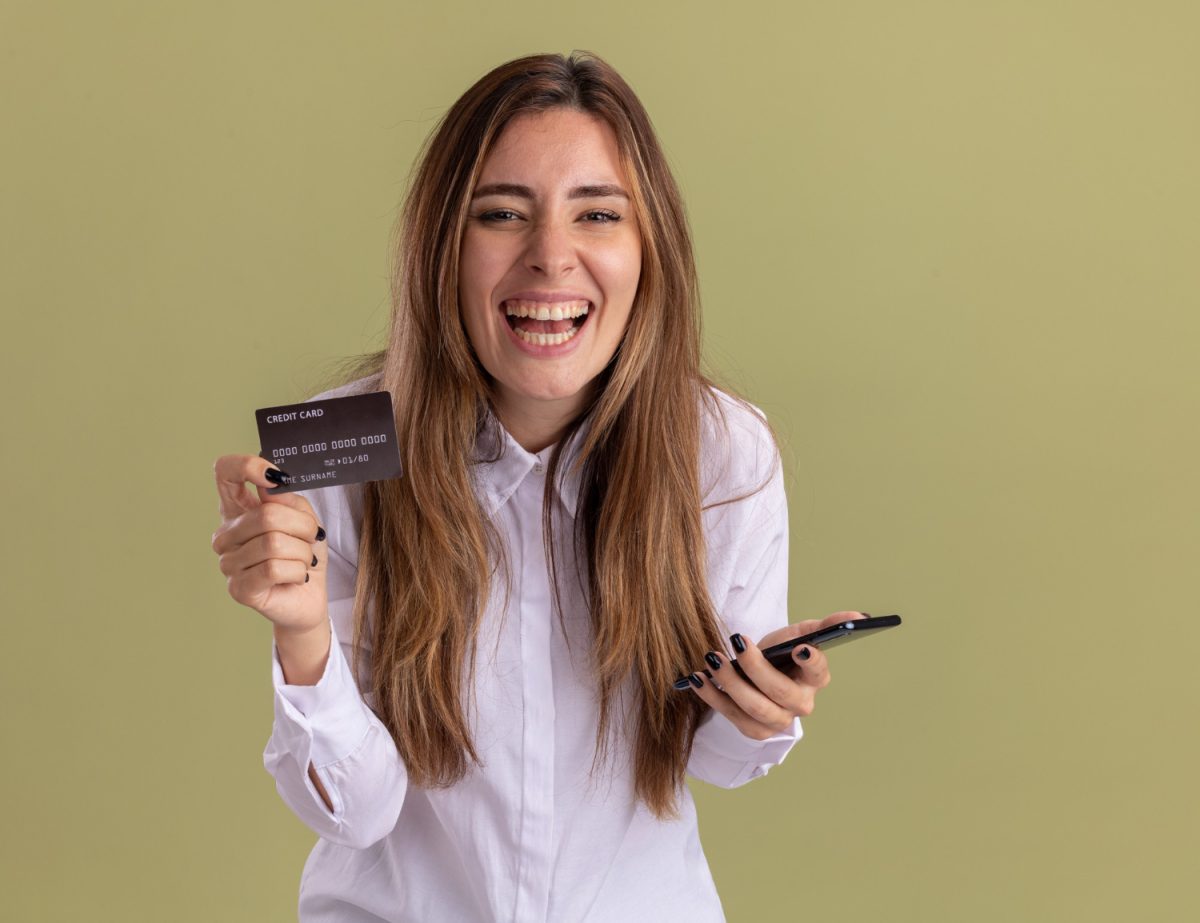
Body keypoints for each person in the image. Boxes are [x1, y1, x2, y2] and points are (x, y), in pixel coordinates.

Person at [210, 50, 866, 923]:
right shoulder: (347, 446)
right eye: (501, 214)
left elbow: (710, 763)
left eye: (597, 213)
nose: (551, 257)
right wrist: (302, 639)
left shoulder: (721, 452)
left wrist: (757, 712)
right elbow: (358, 810)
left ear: (649, 248)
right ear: (442, 248)